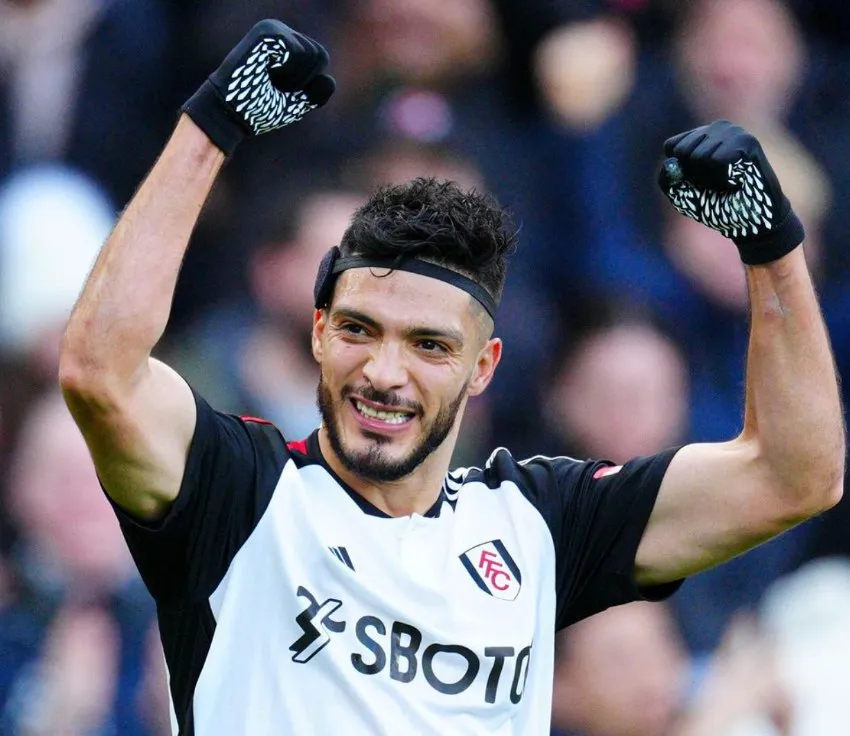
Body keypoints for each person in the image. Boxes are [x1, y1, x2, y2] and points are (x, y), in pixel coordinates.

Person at [57, 19, 845, 735]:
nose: (385, 372)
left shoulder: (539, 525)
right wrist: (209, 130)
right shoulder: (241, 494)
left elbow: (795, 475)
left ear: (482, 368)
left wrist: (770, 250)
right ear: (319, 332)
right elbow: (101, 371)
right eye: (361, 331)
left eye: (430, 346)